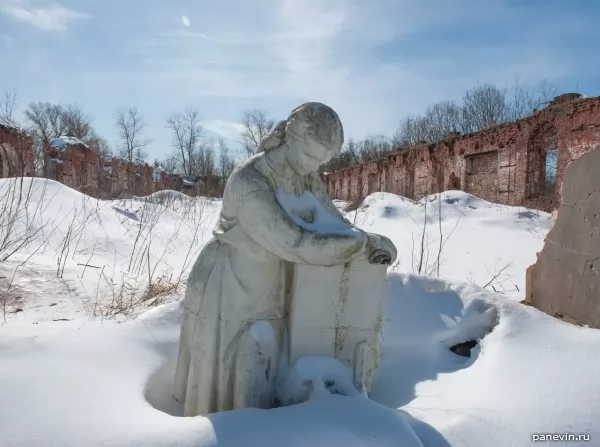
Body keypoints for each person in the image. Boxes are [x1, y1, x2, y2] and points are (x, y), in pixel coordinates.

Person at [173, 102, 396, 416]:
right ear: (294, 136)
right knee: (236, 384)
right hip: (230, 287)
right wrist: (358, 244)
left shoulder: (302, 175)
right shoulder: (250, 180)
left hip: (271, 286)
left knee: (265, 373)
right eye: (310, 155)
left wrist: (370, 242)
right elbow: (295, 243)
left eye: (321, 161)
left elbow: (335, 223)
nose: (312, 166)